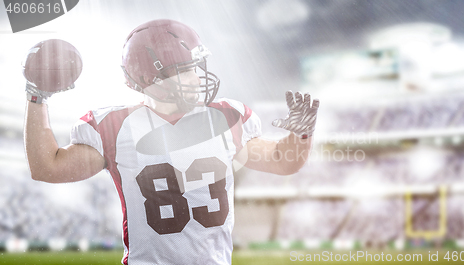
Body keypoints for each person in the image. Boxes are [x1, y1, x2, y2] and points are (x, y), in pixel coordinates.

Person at [24, 19, 319, 265]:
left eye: (195, 66)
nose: (195, 77)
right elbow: (47, 167)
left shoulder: (228, 117)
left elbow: (283, 161)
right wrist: (37, 96)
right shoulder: (114, 127)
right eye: (184, 70)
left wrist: (301, 133)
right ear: (148, 76)